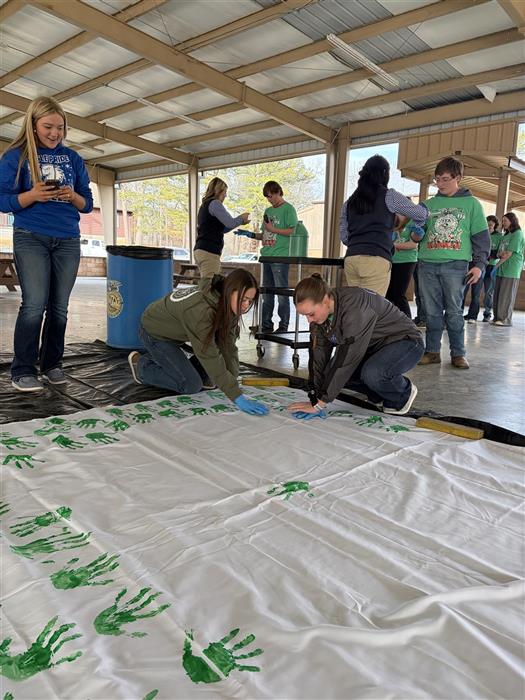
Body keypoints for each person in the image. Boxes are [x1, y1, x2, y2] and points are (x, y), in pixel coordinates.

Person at [0, 96, 93, 393]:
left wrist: (72, 196)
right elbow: (2, 200)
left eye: (60, 128)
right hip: (31, 236)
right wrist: (32, 195)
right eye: (48, 127)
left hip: (68, 239)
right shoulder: (16, 157)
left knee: (59, 307)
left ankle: (52, 364)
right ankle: (23, 369)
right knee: (34, 304)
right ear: (33, 126)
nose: (55, 133)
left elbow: (87, 203)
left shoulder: (73, 158)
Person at [128, 269, 269, 416]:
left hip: (177, 333)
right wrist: (236, 396)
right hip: (155, 333)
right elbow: (208, 354)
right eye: (243, 299)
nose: (246, 305)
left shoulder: (229, 304)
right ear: (230, 291)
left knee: (212, 372)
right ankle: (142, 367)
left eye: (250, 301)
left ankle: (171, 362)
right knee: (191, 385)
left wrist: (233, 381)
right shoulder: (201, 310)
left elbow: (228, 346)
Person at [286, 274, 424, 419]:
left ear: (325, 300)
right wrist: (315, 396)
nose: (309, 321)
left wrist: (320, 404)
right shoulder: (319, 319)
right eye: (305, 316)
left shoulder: (355, 308)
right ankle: (379, 394)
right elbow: (318, 356)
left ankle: (403, 393)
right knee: (329, 375)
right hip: (373, 348)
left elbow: (347, 358)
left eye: (311, 314)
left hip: (406, 342)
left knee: (372, 373)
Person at [415, 157, 489, 369]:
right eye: (437, 179)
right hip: (427, 264)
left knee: (455, 311)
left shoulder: (472, 204)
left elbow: (481, 239)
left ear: (458, 178)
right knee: (431, 311)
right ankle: (432, 351)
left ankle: (458, 353)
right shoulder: (427, 206)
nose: (440, 183)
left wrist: (479, 265)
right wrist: (416, 234)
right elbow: (416, 236)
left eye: (445, 179)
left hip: (456, 266)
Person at [339, 155, 428, 296]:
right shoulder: (389, 196)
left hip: (352, 259)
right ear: (385, 173)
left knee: (356, 305)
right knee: (374, 306)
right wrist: (417, 228)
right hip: (377, 258)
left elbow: (344, 237)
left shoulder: (349, 202)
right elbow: (421, 214)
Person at [255, 180, 298, 333]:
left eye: (271, 196)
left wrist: (274, 229)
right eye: (267, 197)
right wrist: (252, 235)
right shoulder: (267, 211)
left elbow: (292, 231)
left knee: (281, 293)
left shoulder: (288, 209)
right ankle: (266, 324)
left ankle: (283, 325)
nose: (269, 199)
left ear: (278, 192)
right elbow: (265, 233)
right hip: (267, 255)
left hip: (280, 256)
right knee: (267, 293)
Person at [194, 177, 250, 278]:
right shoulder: (215, 203)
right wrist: (242, 218)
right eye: (224, 192)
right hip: (209, 251)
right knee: (209, 284)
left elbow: (223, 228)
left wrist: (239, 222)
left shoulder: (205, 206)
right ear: (218, 191)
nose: (225, 195)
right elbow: (230, 223)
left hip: (201, 249)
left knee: (210, 282)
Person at [464, 215, 501, 323]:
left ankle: (484, 314)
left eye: (492, 222)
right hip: (475, 264)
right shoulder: (479, 233)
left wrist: (486, 255)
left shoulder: (498, 236)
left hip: (490, 266)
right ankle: (467, 314)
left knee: (486, 292)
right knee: (465, 291)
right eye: (488, 222)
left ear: (495, 224)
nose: (490, 224)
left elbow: (497, 252)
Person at [492, 212, 524, 327]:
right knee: (498, 294)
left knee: (506, 295)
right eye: (502, 220)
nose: (503, 223)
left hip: (511, 269)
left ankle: (505, 319)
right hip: (502, 268)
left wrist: (496, 265)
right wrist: (501, 256)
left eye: (505, 220)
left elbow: (507, 254)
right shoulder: (505, 235)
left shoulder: (518, 234)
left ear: (512, 221)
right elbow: (500, 253)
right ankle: (497, 317)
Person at [386, 216, 418, 317]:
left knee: (399, 294)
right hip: (389, 260)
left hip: (406, 261)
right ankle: (391, 321)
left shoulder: (413, 220)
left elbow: (413, 244)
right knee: (388, 294)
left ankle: (407, 321)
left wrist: (393, 245)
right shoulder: (390, 218)